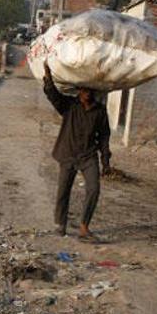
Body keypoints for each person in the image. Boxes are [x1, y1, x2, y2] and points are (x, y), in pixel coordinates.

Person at [43, 62, 112, 240]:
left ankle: (84, 226)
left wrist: (105, 161)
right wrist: (48, 75)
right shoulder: (69, 106)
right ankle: (60, 224)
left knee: (94, 189)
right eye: (84, 90)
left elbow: (104, 136)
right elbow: (53, 95)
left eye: (90, 91)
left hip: (88, 156)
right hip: (67, 153)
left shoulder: (100, 111)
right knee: (63, 190)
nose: (87, 93)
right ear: (79, 91)